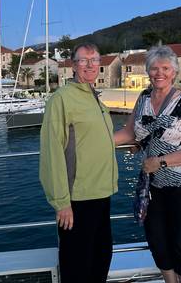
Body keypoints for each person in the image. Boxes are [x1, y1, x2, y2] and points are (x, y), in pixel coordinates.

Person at [114, 45, 181, 283]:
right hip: (154, 185)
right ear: (148, 71)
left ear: (174, 72)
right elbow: (128, 132)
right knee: (156, 240)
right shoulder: (144, 97)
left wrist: (161, 162)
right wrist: (94, 141)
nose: (159, 73)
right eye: (154, 68)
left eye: (165, 68)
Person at [39, 43, 119, 283]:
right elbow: (52, 153)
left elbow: (96, 139)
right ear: (73, 65)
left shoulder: (93, 96)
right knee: (77, 265)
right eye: (84, 60)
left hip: (101, 193)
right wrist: (62, 202)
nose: (90, 65)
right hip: (77, 198)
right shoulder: (61, 99)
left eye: (94, 60)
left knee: (101, 257)